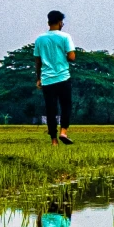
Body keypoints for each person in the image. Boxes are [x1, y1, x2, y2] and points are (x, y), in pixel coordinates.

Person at [35, 9, 75, 144]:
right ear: (60, 23)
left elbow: (38, 61)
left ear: (48, 22)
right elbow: (72, 57)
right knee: (66, 106)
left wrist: (38, 78)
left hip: (47, 79)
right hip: (63, 77)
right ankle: (63, 131)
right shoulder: (65, 37)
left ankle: (53, 140)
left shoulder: (40, 39)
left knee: (51, 109)